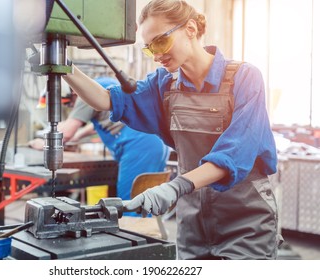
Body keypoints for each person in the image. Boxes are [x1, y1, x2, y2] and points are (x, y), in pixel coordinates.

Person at [62, 0, 281, 259]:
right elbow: (106, 99)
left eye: (160, 42)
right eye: (149, 48)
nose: (156, 55)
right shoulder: (164, 84)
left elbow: (233, 154)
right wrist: (61, 62)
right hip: (193, 223)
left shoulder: (244, 78)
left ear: (189, 29)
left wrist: (174, 188)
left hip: (245, 220)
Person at [29, 76, 171, 216]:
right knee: (147, 199)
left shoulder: (85, 92)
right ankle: (146, 233)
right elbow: (100, 122)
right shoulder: (102, 84)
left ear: (71, 93)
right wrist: (79, 135)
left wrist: (42, 143)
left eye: (68, 103)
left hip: (138, 147)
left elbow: (66, 133)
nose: (71, 107)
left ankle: (134, 234)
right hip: (155, 143)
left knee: (131, 203)